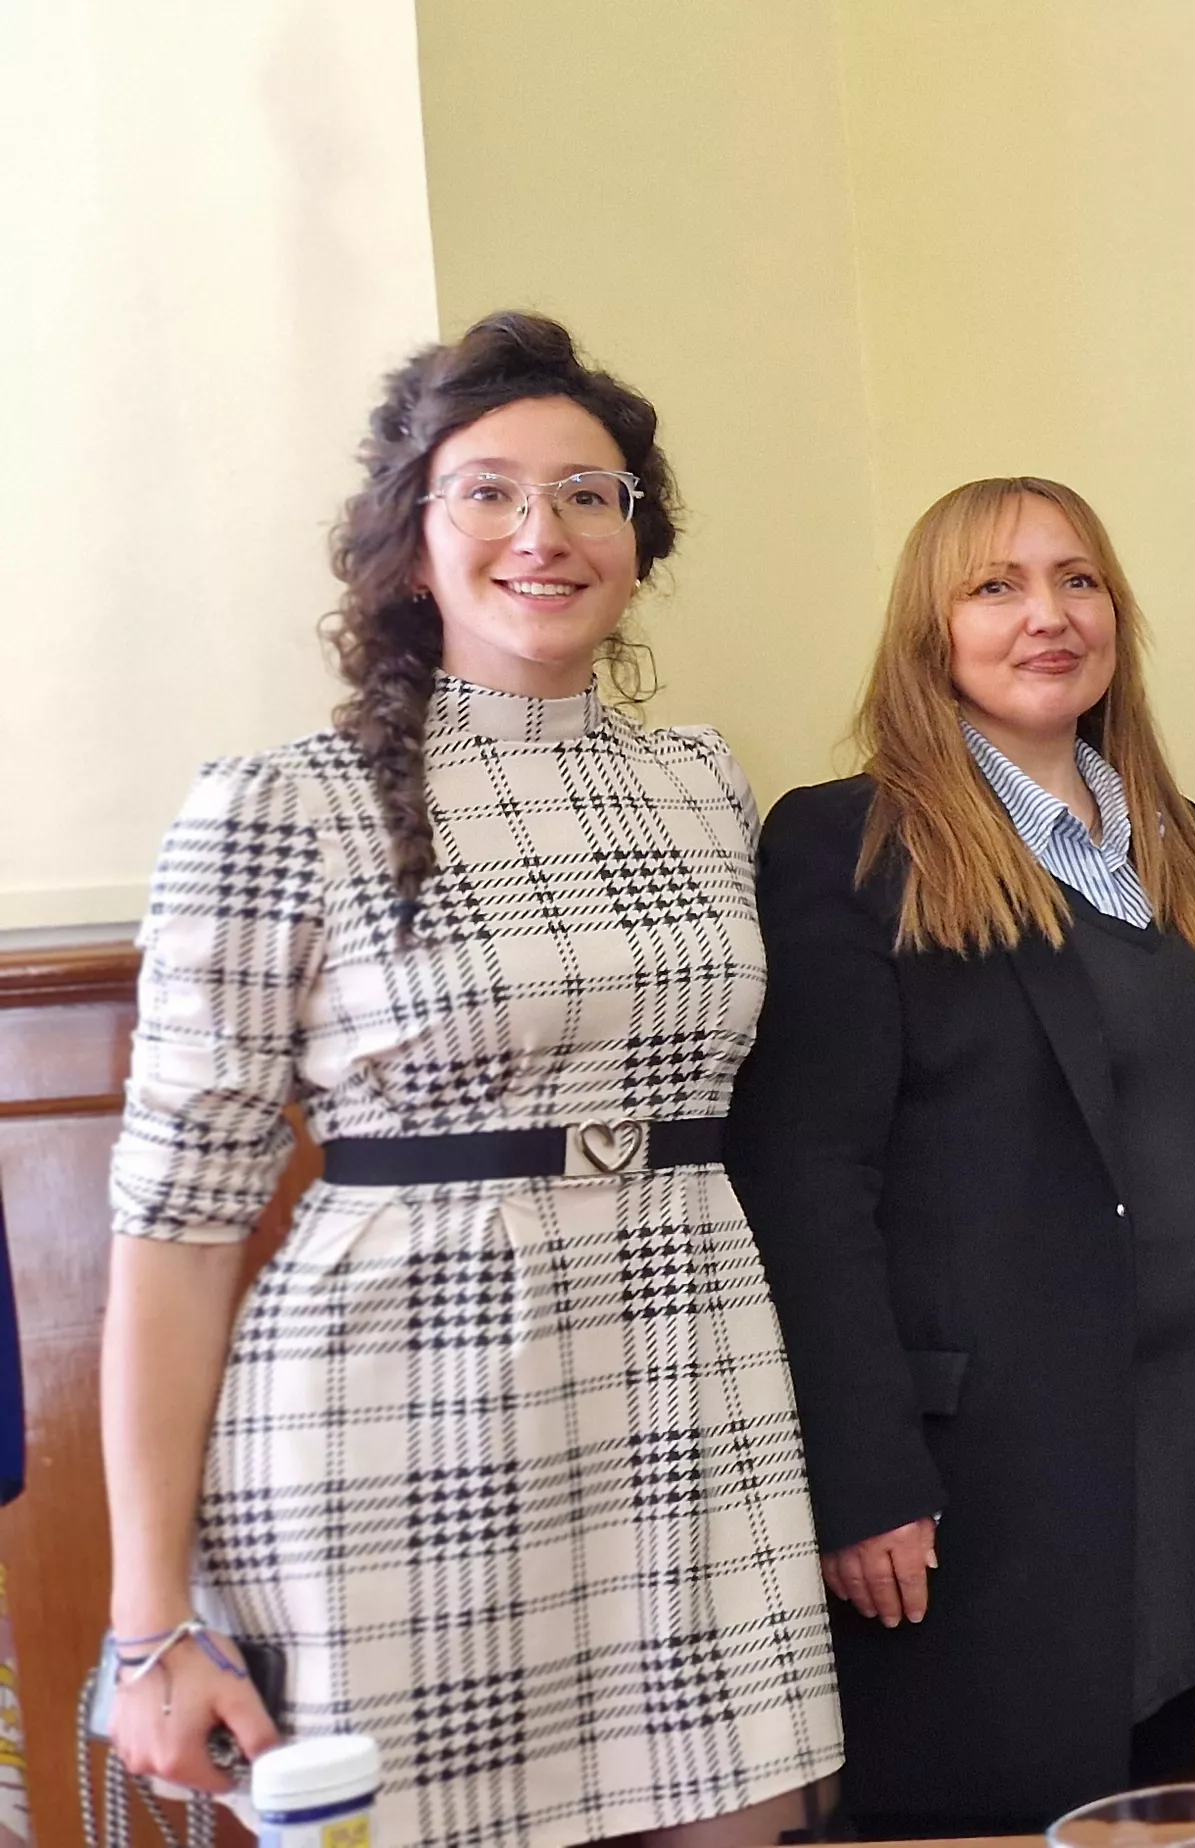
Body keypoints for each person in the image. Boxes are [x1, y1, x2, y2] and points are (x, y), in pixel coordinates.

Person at [98, 312, 839, 1845]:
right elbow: (175, 1234)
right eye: (488, 491)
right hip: (402, 1418)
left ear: (639, 537)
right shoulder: (283, 804)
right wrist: (146, 1620)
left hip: (689, 1382)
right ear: (410, 539)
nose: (543, 532)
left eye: (590, 493)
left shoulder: (700, 782)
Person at [728, 478, 1195, 1834]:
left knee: (1170, 1797)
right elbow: (805, 1183)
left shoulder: (1173, 841)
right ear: (929, 635)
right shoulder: (850, 843)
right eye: (996, 587)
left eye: (1077, 581)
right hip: (986, 1475)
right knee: (1002, 1806)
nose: (1047, 617)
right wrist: (863, 1475)